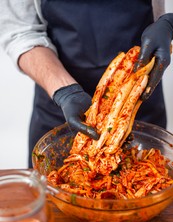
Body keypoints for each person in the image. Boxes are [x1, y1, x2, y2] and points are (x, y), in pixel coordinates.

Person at [0, 1, 173, 168]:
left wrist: (170, 22)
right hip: (57, 99)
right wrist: (65, 92)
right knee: (49, 189)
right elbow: (18, 31)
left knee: (153, 177)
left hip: (141, 96)